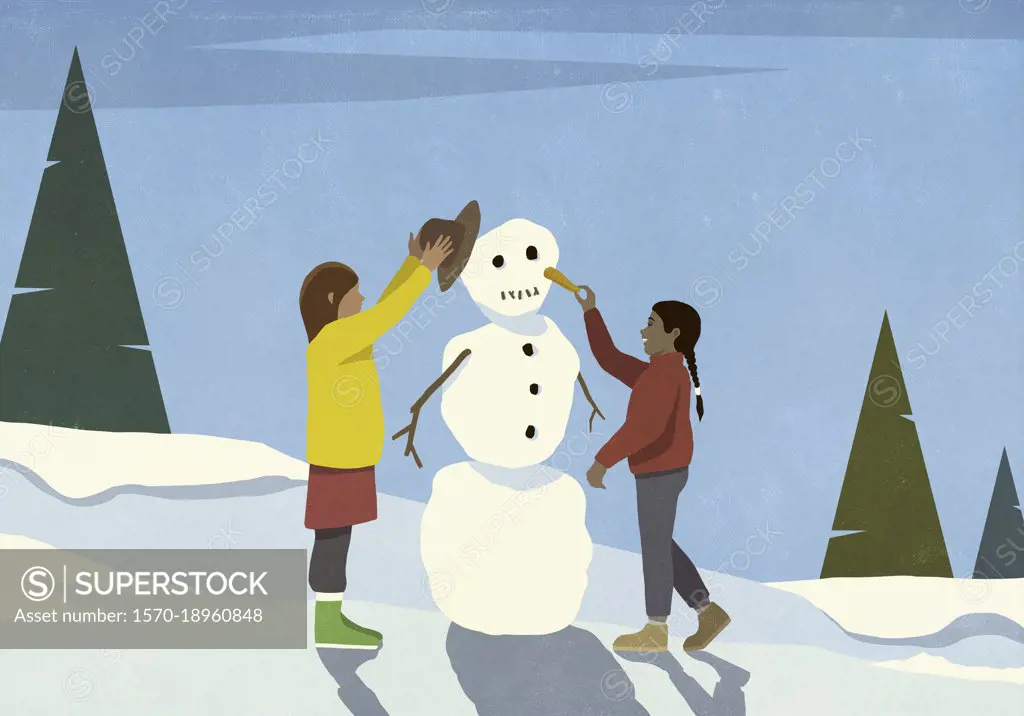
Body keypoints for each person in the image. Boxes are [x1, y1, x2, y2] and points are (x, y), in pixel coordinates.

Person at [300, 231, 453, 649]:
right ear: (334, 302)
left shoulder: (347, 336)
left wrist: (410, 264)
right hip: (337, 460)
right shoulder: (333, 341)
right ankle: (327, 623)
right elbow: (388, 315)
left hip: (348, 458)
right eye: (355, 294)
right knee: (332, 539)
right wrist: (425, 271)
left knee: (338, 537)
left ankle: (331, 618)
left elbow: (382, 307)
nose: (363, 299)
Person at [574, 285, 730, 653]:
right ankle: (708, 612)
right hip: (663, 470)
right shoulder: (657, 372)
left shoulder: (661, 377)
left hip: (660, 472)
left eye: (651, 324)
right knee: (660, 543)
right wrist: (591, 312)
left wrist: (602, 461)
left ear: (673, 334)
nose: (643, 331)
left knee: (655, 548)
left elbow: (644, 428)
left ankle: (656, 629)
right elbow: (610, 359)